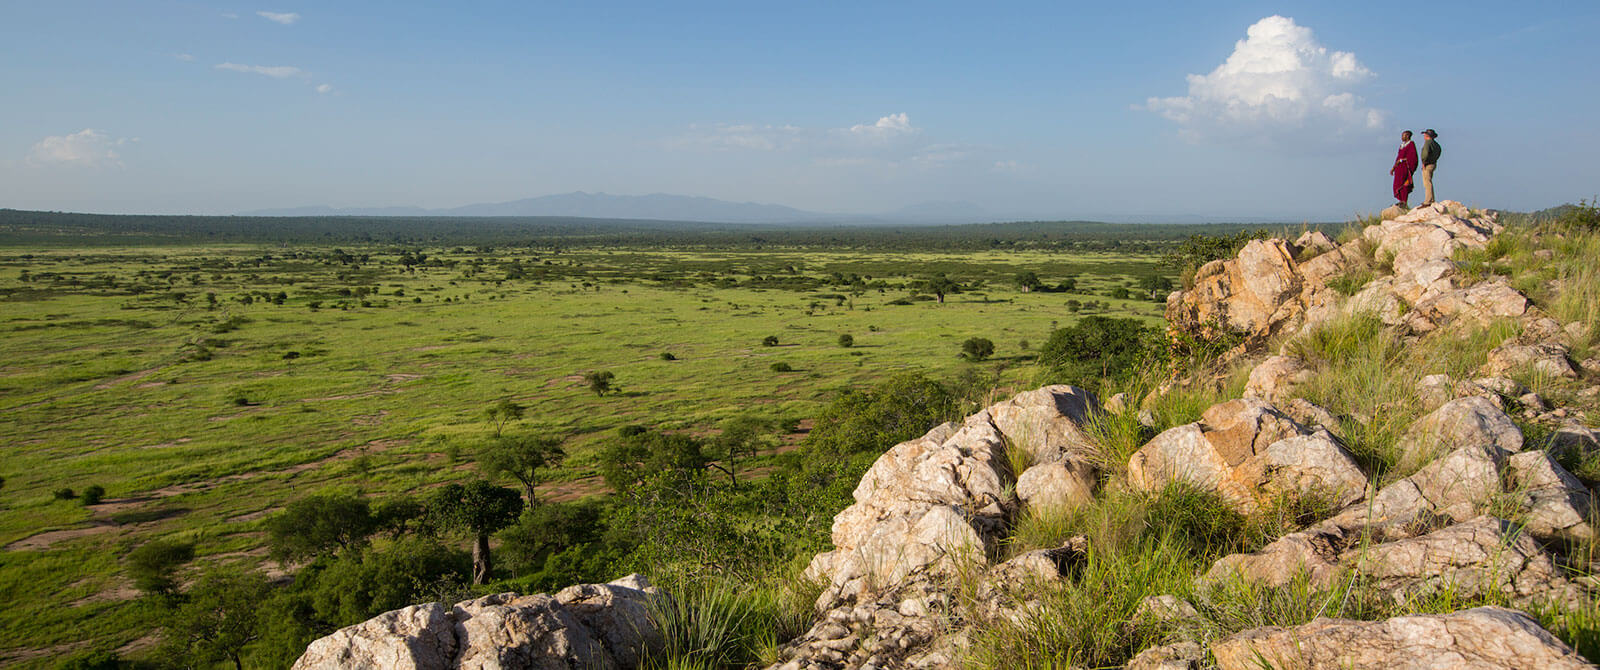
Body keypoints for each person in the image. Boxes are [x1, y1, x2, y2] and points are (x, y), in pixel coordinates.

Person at [1390, 130, 1419, 208]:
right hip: (1399, 168)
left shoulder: (1411, 144)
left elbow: (1413, 157)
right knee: (1397, 184)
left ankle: (1404, 202)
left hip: (1405, 167)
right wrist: (1393, 167)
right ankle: (1400, 201)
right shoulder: (1402, 145)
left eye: (1403, 135)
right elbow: (1398, 157)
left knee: (1404, 184)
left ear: (1407, 136)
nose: (1402, 137)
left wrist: (1403, 160)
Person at [1418, 129, 1442, 205]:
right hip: (1433, 163)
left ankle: (1428, 200)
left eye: (1425, 134)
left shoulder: (1428, 143)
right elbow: (1439, 152)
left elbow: (1425, 153)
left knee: (1427, 182)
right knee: (1429, 181)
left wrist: (1424, 162)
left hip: (1428, 164)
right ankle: (1431, 199)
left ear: (1427, 135)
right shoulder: (1436, 144)